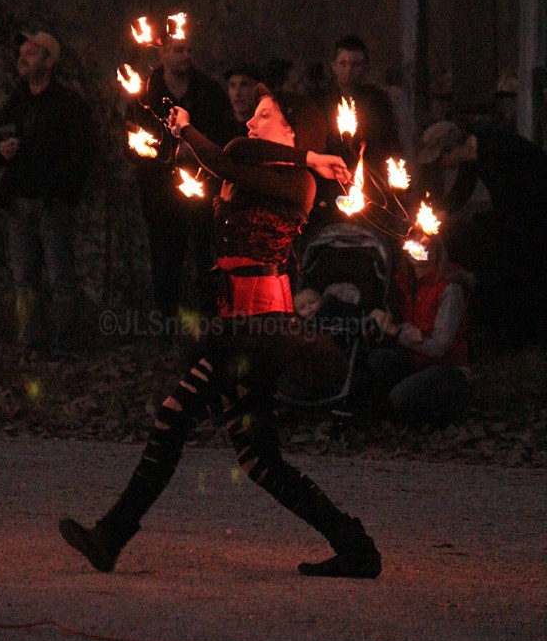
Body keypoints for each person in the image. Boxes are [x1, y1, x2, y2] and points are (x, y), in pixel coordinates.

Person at [59, 85, 382, 580]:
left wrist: (191, 130)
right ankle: (354, 546)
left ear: (294, 131)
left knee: (174, 416)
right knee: (260, 460)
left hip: (260, 331)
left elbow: (229, 154)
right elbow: (234, 156)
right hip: (238, 325)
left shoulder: (298, 183)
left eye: (264, 115)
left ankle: (111, 536)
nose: (250, 122)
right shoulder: (259, 171)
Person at [0, 30, 97, 354]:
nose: (23, 58)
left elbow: (84, 152)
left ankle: (65, 343)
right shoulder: (15, 102)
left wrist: (64, 193)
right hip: (20, 201)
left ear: (49, 61)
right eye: (22, 53)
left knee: (59, 276)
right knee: (24, 279)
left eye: (31, 53)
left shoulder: (68, 104)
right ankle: (32, 342)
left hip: (53, 202)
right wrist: (2, 151)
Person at [417, 119, 547, 346]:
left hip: (535, 208)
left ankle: (526, 332)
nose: (441, 165)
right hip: (519, 211)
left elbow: (517, 197)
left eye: (440, 159)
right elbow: (462, 189)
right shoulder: (471, 154)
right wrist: (440, 212)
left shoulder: (497, 149)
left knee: (524, 266)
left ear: (452, 149)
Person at [130, 32, 233, 319]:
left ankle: (210, 325)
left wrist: (198, 149)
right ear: (162, 53)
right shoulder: (145, 94)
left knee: (207, 261)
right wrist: (163, 153)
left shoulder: (209, 92)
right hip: (160, 193)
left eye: (189, 50)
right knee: (165, 263)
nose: (186, 56)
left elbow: (223, 135)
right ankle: (166, 326)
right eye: (178, 50)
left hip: (204, 192)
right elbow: (131, 138)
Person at [366, 237, 473, 426]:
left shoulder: (449, 287)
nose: (420, 246)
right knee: (378, 360)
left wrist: (399, 333)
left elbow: (439, 348)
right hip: (417, 362)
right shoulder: (403, 284)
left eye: (426, 243)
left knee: (401, 397)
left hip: (447, 368)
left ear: (436, 249)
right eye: (415, 241)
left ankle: (449, 410)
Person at [311, 35, 403, 235]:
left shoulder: (377, 101)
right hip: (332, 184)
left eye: (355, 64)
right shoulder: (321, 102)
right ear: (334, 66)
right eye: (343, 64)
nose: (349, 70)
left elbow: (390, 142)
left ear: (365, 67)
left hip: (371, 183)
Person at [221, 62, 260, 140]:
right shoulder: (220, 129)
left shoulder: (267, 129)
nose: (237, 93)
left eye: (244, 85)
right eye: (233, 85)